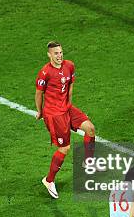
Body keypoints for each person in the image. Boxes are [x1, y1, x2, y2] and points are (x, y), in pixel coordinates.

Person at [35, 41, 99, 199]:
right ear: (49, 54)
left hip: (67, 109)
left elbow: (70, 85)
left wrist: (69, 104)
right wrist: (40, 111)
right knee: (64, 148)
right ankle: (49, 180)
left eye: (61, 52)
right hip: (54, 114)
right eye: (56, 53)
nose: (59, 56)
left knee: (90, 129)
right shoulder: (45, 73)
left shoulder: (69, 66)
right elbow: (38, 94)